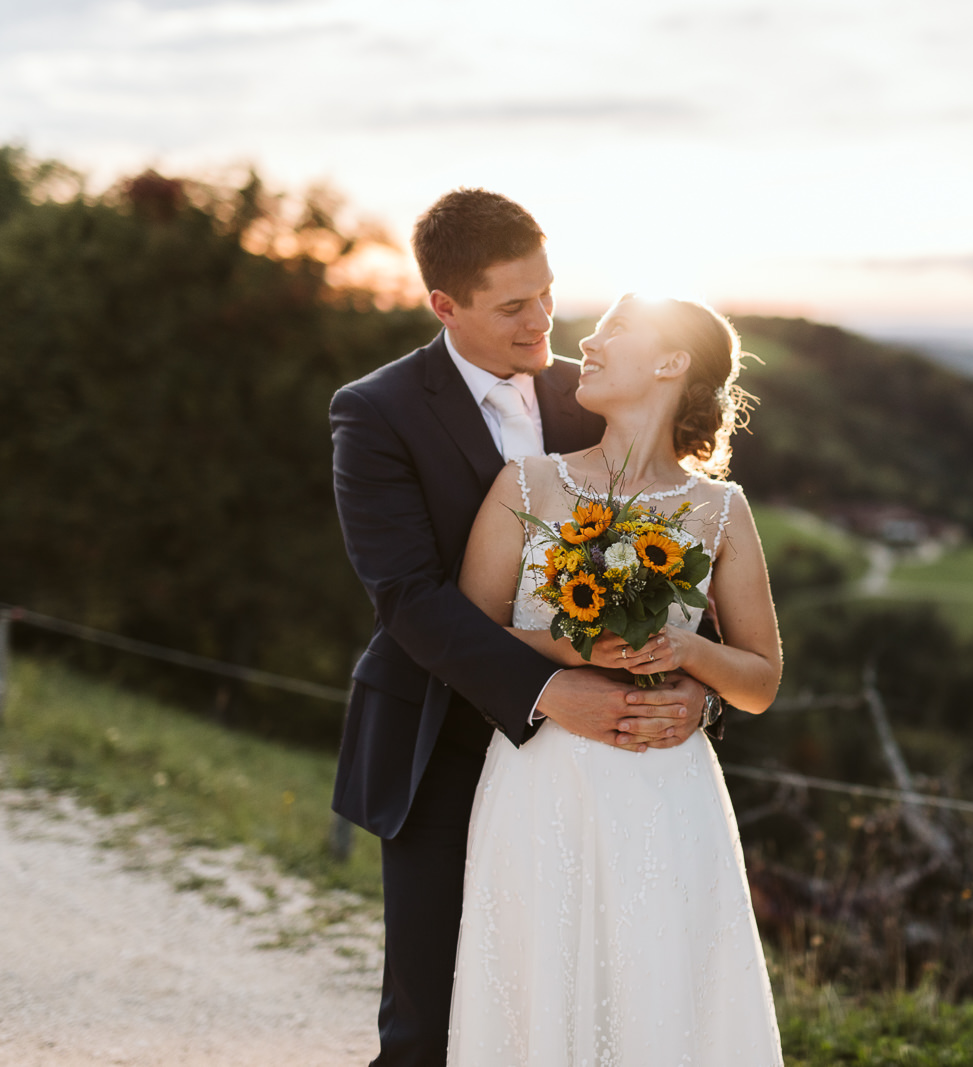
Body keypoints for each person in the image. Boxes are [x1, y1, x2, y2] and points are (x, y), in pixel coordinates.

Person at [328, 189, 715, 1067]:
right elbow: (407, 595)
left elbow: (678, 554)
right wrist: (548, 690)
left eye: (546, 292)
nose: (543, 319)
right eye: (512, 306)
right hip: (440, 741)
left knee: (577, 1009)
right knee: (430, 1021)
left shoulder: (595, 394)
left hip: (589, 769)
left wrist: (689, 684)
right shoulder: (376, 411)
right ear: (444, 306)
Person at [449, 294, 783, 1065]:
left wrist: (689, 653)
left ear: (672, 363)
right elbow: (467, 639)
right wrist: (577, 649)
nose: (586, 343)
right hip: (543, 781)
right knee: (540, 990)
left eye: (616, 329)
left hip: (666, 790)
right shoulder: (526, 486)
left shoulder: (720, 510)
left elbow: (760, 680)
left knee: (663, 999)